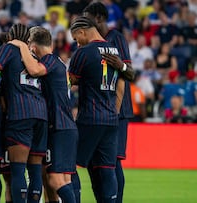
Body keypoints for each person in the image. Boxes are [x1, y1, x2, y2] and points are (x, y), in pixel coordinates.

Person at [0, 23, 48, 203]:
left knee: (17, 170)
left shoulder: (9, 49)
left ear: (9, 38)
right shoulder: (34, 55)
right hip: (41, 115)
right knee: (36, 171)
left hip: (20, 114)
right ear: (28, 40)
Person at [9, 26, 78, 203]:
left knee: (54, 179)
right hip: (66, 126)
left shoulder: (49, 60)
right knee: (64, 180)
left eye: (29, 47)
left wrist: (21, 46)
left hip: (60, 127)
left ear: (33, 47)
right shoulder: (58, 62)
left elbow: (34, 71)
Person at [83, 2, 135, 203]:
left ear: (99, 18)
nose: (84, 22)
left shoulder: (116, 39)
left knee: (112, 161)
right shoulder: (89, 44)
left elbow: (128, 74)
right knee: (94, 161)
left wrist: (120, 65)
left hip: (117, 111)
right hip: (96, 111)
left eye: (87, 17)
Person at [68, 16, 120, 203]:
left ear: (82, 32)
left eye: (76, 38)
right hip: (111, 119)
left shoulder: (84, 52)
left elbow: (70, 81)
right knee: (106, 169)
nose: (77, 43)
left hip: (90, 117)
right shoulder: (115, 50)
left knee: (69, 164)